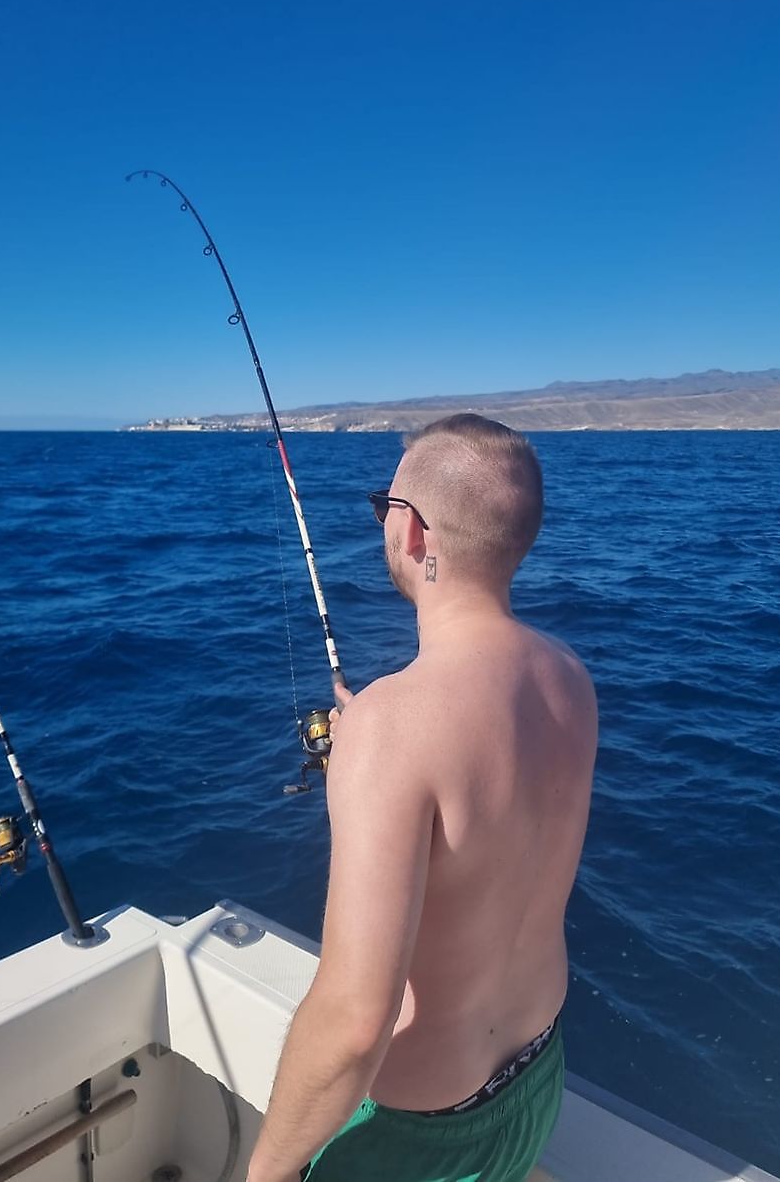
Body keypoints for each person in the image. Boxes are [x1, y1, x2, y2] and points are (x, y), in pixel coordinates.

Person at [245, 414, 597, 1182]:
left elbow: (353, 1023)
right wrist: (370, 758)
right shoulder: (568, 677)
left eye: (384, 505)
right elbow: (485, 805)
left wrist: (266, 1171)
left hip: (417, 1143)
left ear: (411, 530)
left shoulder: (391, 728)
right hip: (536, 1080)